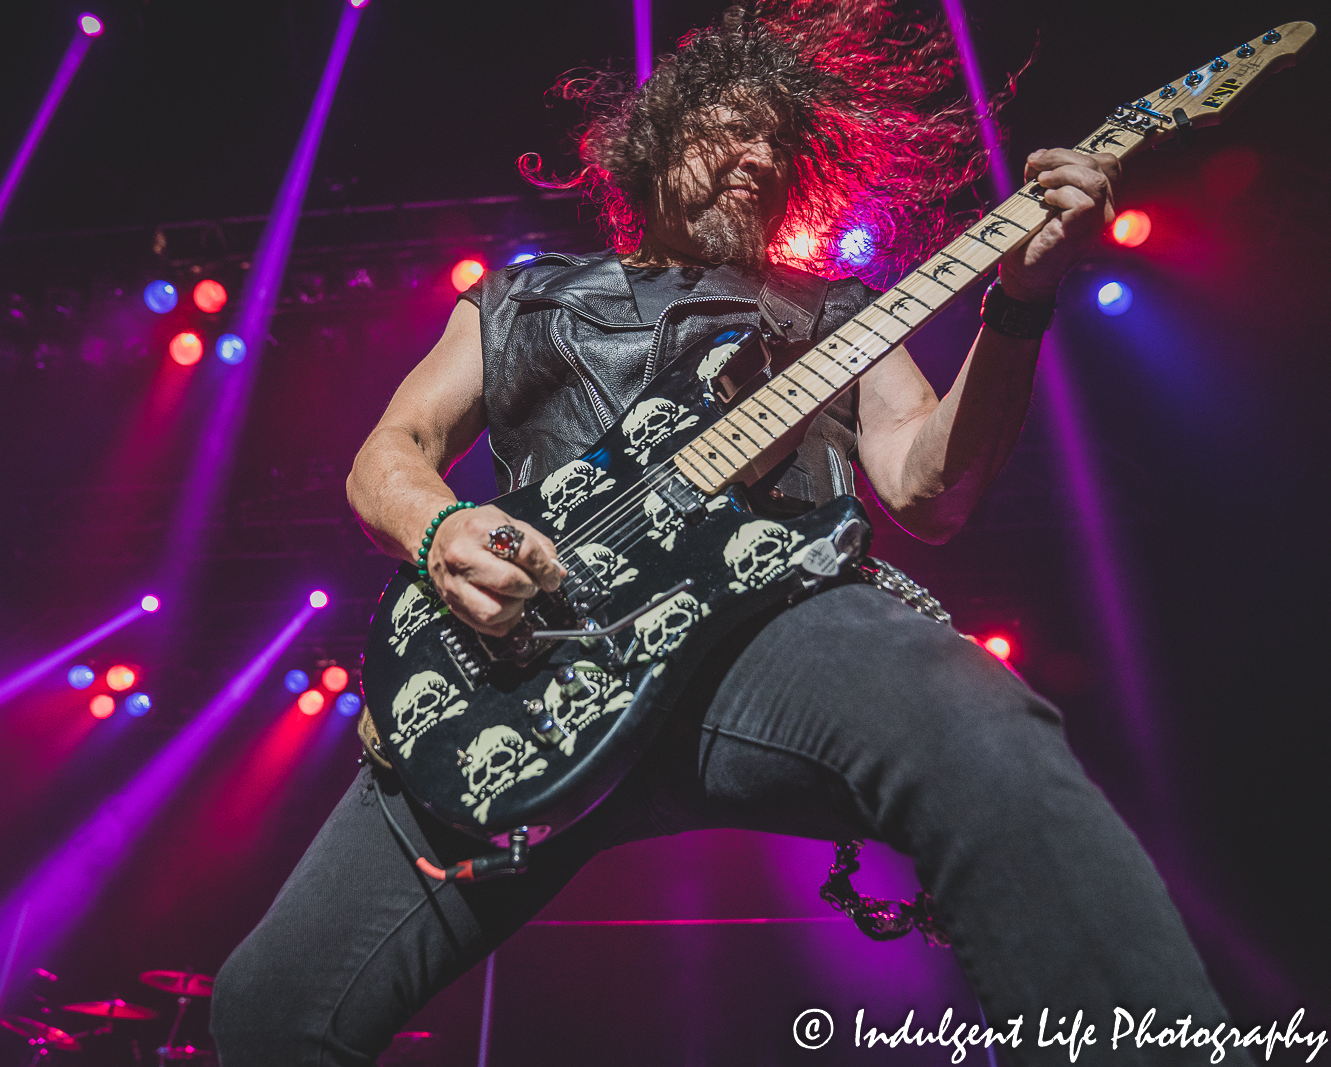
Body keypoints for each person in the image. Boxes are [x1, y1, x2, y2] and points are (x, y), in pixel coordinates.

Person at [211, 4, 1239, 1063]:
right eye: (727, 128)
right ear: (649, 142)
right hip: (519, 676)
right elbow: (391, 449)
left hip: (767, 633)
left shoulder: (836, 307)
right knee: (268, 1005)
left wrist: (1018, 299)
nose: (757, 156)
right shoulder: (520, 296)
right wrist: (442, 530)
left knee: (972, 719)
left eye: (778, 144)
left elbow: (927, 488)